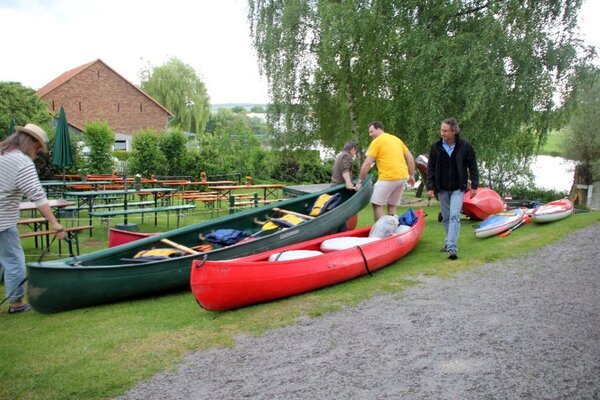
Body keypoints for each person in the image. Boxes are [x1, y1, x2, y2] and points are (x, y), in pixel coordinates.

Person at [0, 123, 65, 314]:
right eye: (37, 148)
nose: (37, 152)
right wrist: (54, 222)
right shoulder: (21, 161)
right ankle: (16, 303)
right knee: (14, 261)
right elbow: (37, 195)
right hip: (2, 221)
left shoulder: (3, 155)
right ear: (31, 143)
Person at [426, 118, 479, 260]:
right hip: (442, 188)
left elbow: (473, 166)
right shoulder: (436, 147)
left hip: (458, 188)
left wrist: (474, 185)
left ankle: (451, 248)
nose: (442, 133)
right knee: (446, 217)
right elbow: (430, 168)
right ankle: (449, 242)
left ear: (454, 131)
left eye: (446, 130)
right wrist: (430, 186)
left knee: (455, 216)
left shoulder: (465, 146)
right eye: (441, 130)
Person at [355, 122, 416, 221]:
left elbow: (367, 163)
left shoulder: (377, 141)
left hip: (388, 177)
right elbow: (410, 157)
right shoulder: (396, 139)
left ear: (379, 129)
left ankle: (381, 231)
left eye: (371, 132)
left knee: (377, 204)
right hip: (402, 177)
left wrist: (360, 180)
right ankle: (392, 229)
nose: (370, 135)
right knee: (392, 205)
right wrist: (412, 175)